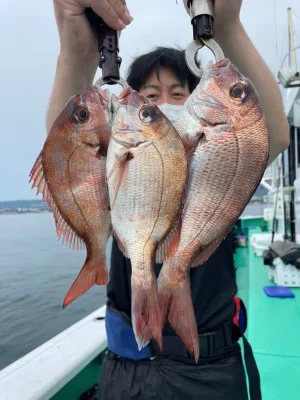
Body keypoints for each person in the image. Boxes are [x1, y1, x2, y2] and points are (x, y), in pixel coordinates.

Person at [48, 1, 290, 399]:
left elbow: (271, 135)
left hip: (214, 369)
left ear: (197, 102)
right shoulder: (118, 157)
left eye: (178, 92)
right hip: (126, 371)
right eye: (150, 95)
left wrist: (226, 23)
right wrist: (73, 37)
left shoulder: (214, 154)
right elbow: (66, 149)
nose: (164, 102)